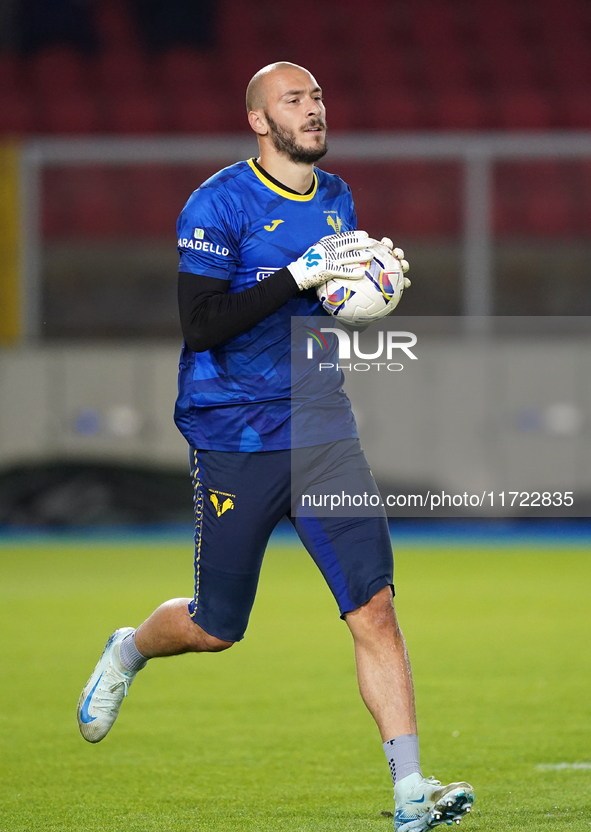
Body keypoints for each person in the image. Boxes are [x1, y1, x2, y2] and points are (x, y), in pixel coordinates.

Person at [76, 61, 474, 831]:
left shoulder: (336, 198)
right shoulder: (217, 203)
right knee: (216, 626)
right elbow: (202, 324)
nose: (313, 109)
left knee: (375, 609)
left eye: (318, 96)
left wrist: (364, 291)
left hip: (322, 428)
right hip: (233, 432)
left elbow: (326, 299)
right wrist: (297, 274)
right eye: (294, 100)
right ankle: (128, 650)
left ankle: (409, 791)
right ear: (259, 120)